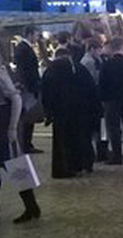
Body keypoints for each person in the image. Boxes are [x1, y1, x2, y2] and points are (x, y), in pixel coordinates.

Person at [41, 48, 101, 178]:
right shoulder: (79, 69)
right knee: (81, 139)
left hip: (59, 113)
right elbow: (91, 91)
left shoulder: (50, 71)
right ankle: (82, 164)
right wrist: (95, 110)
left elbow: (45, 94)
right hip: (80, 112)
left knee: (60, 143)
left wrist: (48, 113)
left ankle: (61, 169)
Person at [0, 54, 41, 224]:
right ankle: (31, 207)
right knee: (15, 163)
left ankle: (31, 206)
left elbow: (15, 98)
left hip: (3, 122)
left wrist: (12, 127)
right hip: (5, 121)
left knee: (16, 164)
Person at [98, 38, 123, 165]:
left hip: (111, 100)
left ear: (112, 49)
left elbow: (102, 83)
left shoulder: (106, 64)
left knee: (113, 128)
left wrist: (102, 99)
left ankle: (116, 155)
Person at [14, 26, 43, 154]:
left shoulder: (23, 48)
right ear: (30, 34)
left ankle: (27, 143)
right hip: (28, 87)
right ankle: (26, 144)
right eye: (36, 35)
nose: (37, 38)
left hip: (29, 86)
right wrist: (32, 86)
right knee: (28, 116)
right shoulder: (24, 49)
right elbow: (26, 71)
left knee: (29, 116)